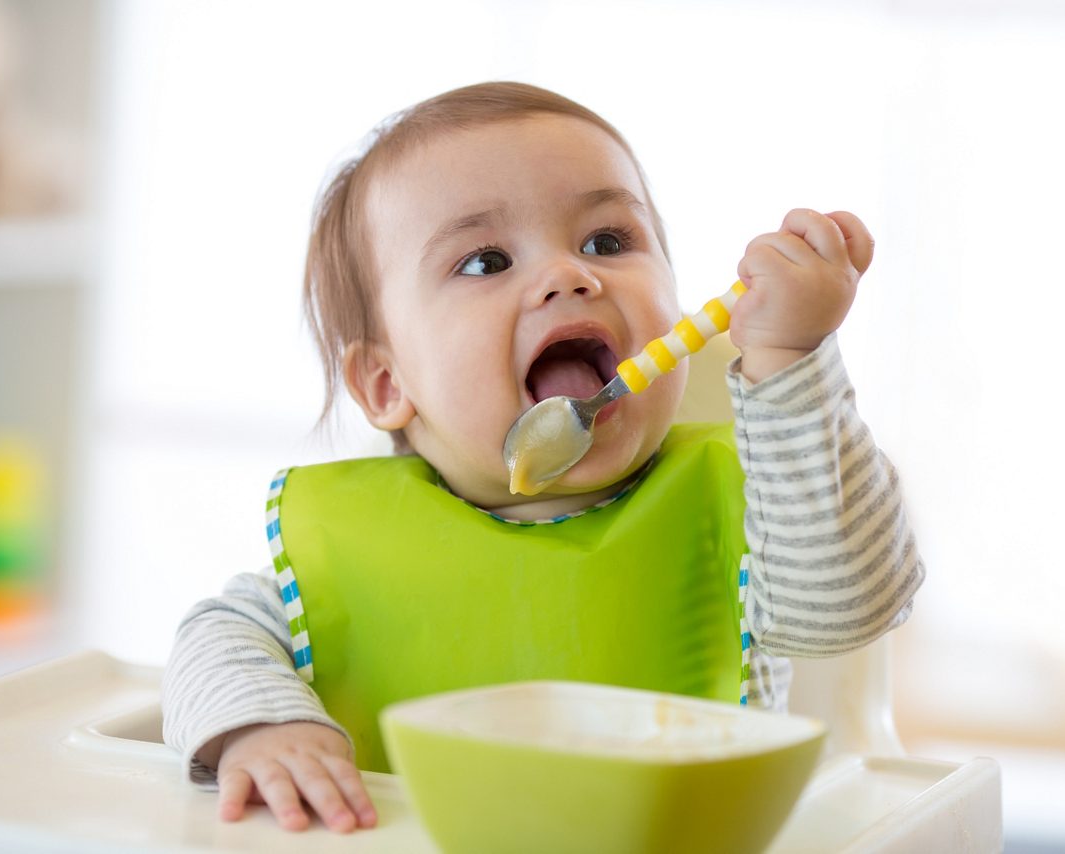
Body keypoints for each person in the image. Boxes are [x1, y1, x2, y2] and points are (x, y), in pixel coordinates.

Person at [161, 81, 924, 834]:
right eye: (487, 261)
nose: (570, 275)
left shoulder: (746, 511)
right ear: (389, 384)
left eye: (607, 241)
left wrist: (791, 362)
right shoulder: (347, 549)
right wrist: (264, 730)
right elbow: (208, 644)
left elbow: (848, 608)